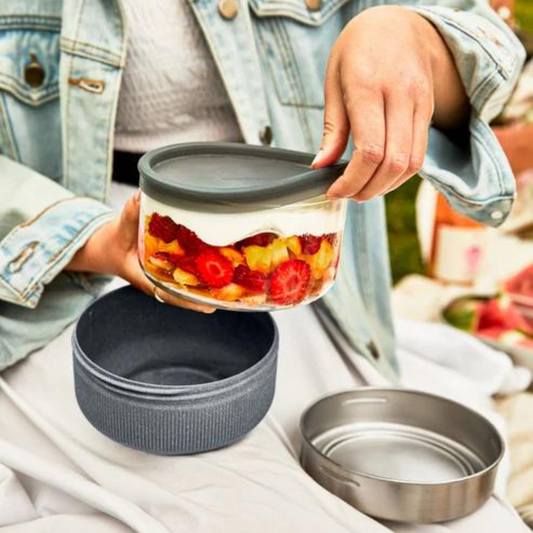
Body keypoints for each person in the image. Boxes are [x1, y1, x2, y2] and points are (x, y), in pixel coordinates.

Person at [0, 1, 528, 530]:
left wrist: (414, 36)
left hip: (304, 242)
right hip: (52, 256)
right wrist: (88, 239)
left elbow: (487, 46)